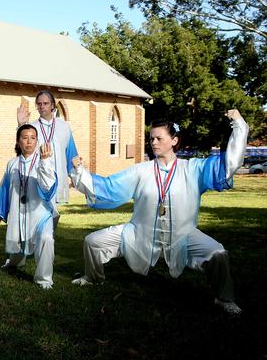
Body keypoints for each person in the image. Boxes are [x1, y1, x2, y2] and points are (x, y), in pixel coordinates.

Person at [69, 110, 248, 314]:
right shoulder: (140, 171)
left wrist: (239, 127)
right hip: (139, 234)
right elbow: (109, 187)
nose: (153, 142)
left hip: (183, 235)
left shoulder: (193, 169)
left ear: (174, 140)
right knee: (93, 241)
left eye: (158, 138)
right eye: (151, 138)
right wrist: (80, 172)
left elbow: (228, 165)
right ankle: (92, 278)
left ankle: (224, 299)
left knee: (218, 254)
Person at [0, 124, 58, 289]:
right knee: (19, 240)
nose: (29, 141)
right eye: (24, 137)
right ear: (18, 141)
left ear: (37, 141)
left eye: (33, 138)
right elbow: (5, 188)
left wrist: (45, 162)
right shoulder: (12, 164)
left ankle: (44, 279)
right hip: (18, 211)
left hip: (40, 213)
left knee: (46, 239)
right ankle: (13, 263)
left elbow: (48, 186)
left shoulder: (44, 161)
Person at [17, 90, 79, 228]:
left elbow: (71, 155)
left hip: (59, 179)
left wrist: (77, 178)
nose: (42, 106)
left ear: (52, 105)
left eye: (45, 103)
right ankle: (41, 244)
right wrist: (21, 126)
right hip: (39, 180)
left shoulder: (64, 127)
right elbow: (22, 151)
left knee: (52, 217)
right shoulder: (32, 128)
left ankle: (45, 245)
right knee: (42, 217)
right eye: (39, 104)